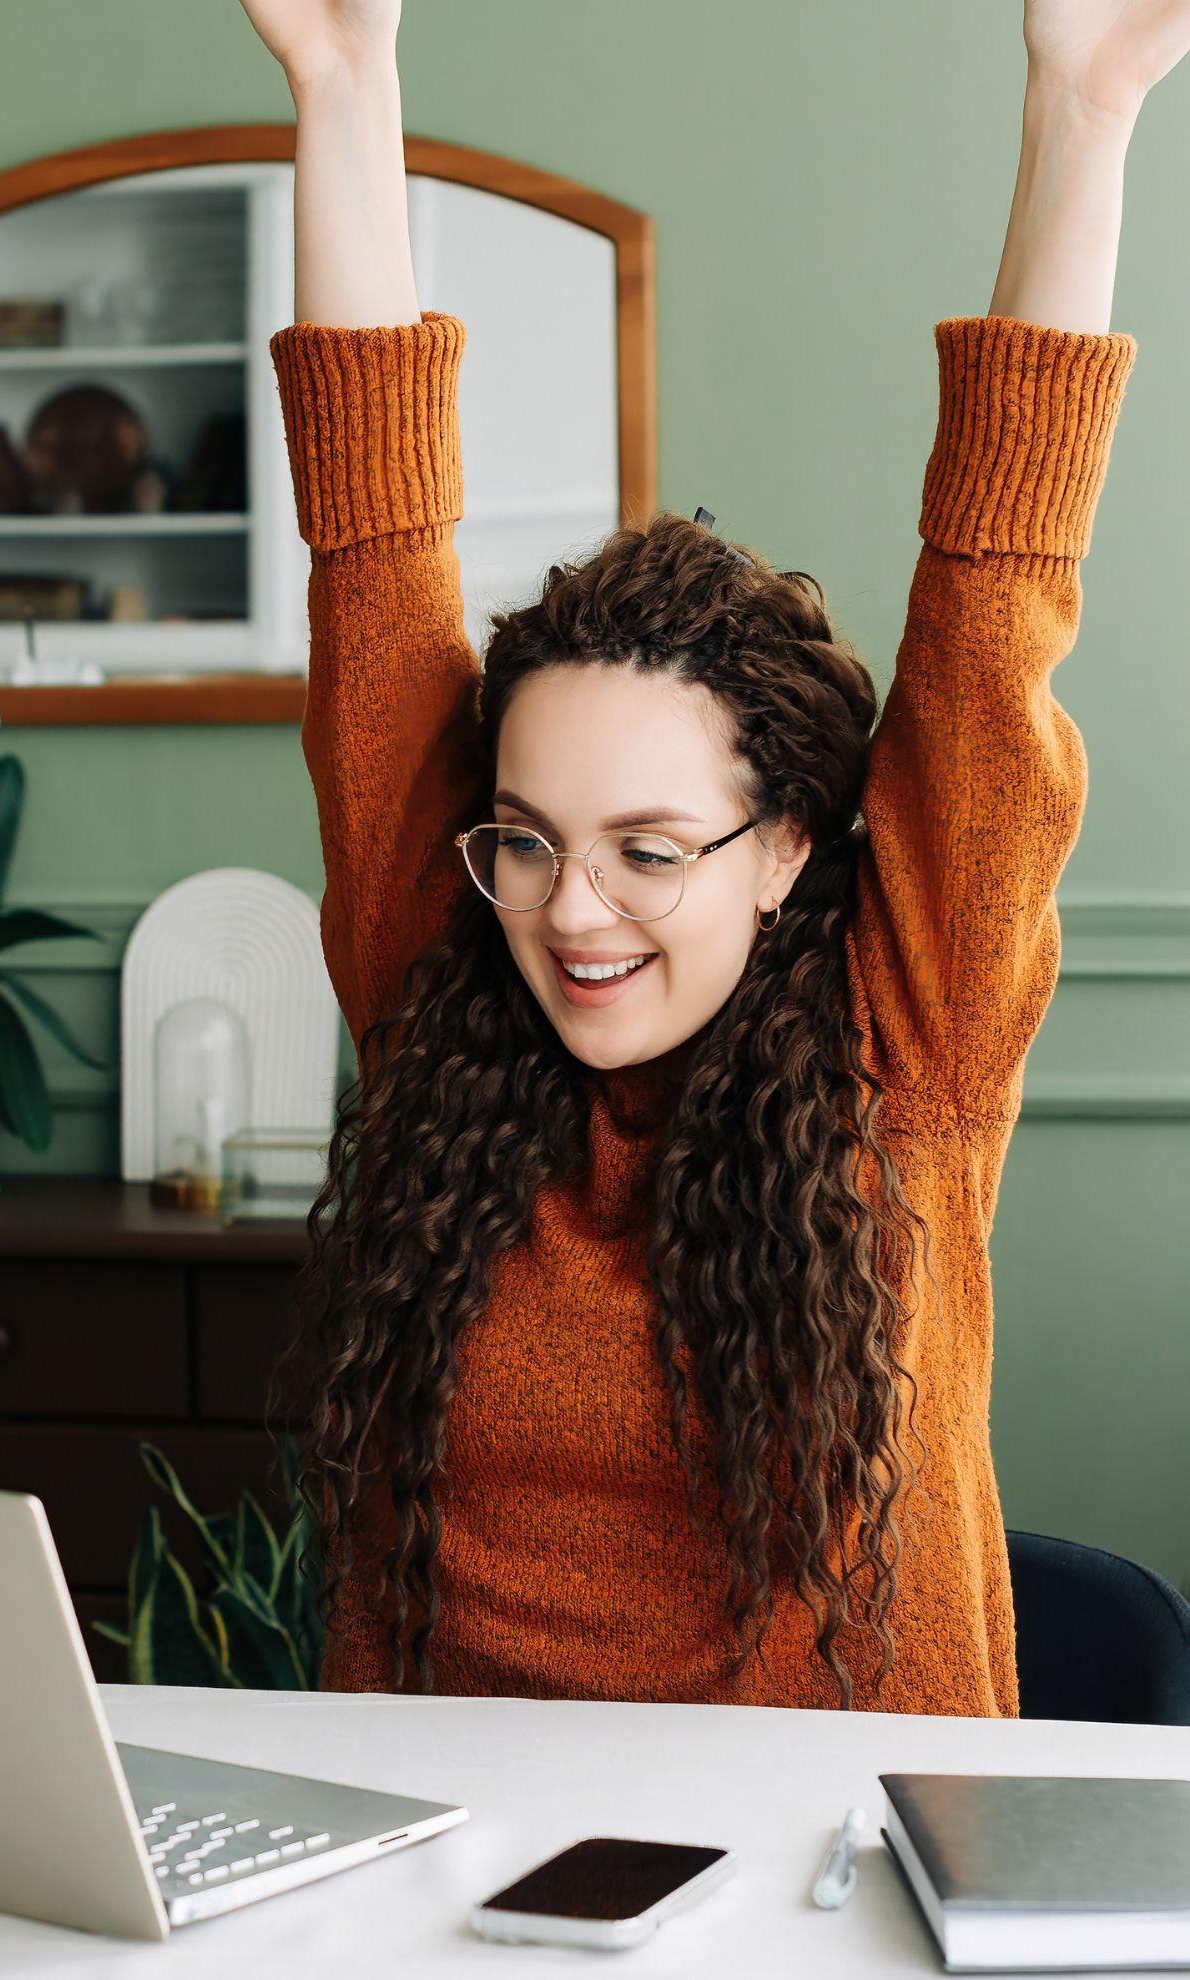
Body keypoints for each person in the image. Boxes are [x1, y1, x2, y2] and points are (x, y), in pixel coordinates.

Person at [239, 0, 1186, 1713]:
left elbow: (993, 600)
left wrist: (1087, 99)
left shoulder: (910, 1046)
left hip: (836, 1905)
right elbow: (373, 552)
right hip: (453, 1901)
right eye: (523, 841)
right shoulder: (442, 995)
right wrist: (340, 77)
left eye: (649, 851)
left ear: (784, 851)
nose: (568, 912)